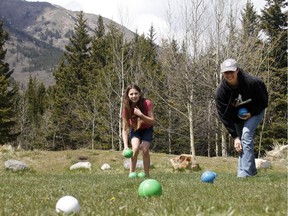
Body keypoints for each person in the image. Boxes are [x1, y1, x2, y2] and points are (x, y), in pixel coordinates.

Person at [215, 59, 268, 177]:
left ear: (237, 70)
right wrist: (235, 137)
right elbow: (224, 116)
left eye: (231, 72)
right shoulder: (221, 92)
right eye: (226, 72)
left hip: (255, 112)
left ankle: (245, 174)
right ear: (223, 74)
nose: (229, 75)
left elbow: (263, 101)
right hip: (237, 118)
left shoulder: (252, 82)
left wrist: (252, 113)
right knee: (241, 143)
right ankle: (251, 172)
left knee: (246, 135)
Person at [122, 84, 155, 177]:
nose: (134, 96)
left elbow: (152, 121)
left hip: (147, 128)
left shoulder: (147, 103)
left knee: (144, 149)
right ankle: (131, 174)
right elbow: (125, 129)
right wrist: (125, 146)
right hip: (135, 129)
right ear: (127, 95)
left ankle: (147, 175)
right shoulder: (126, 107)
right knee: (135, 148)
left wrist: (141, 115)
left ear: (140, 94)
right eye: (131, 94)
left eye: (136, 93)